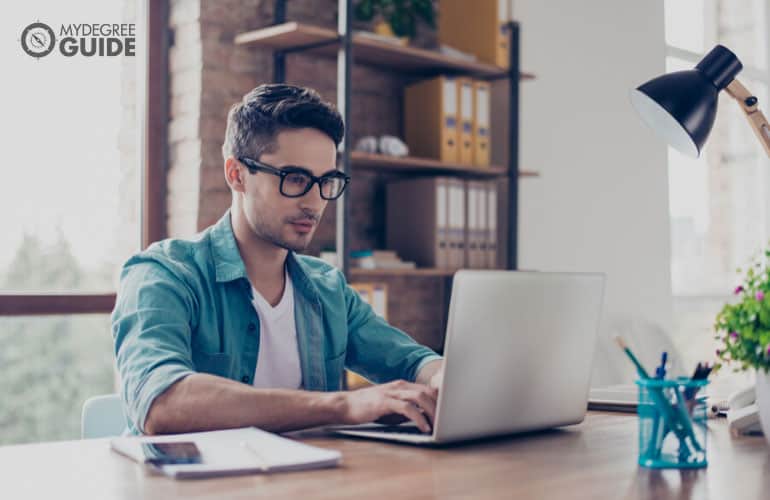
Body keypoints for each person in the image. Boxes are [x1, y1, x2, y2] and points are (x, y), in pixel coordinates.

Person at [112, 83, 444, 436]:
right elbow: (161, 402)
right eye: (295, 178)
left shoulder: (327, 288)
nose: (314, 202)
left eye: (326, 182)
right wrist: (343, 405)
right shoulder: (163, 275)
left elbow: (411, 361)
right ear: (236, 174)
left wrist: (442, 378)